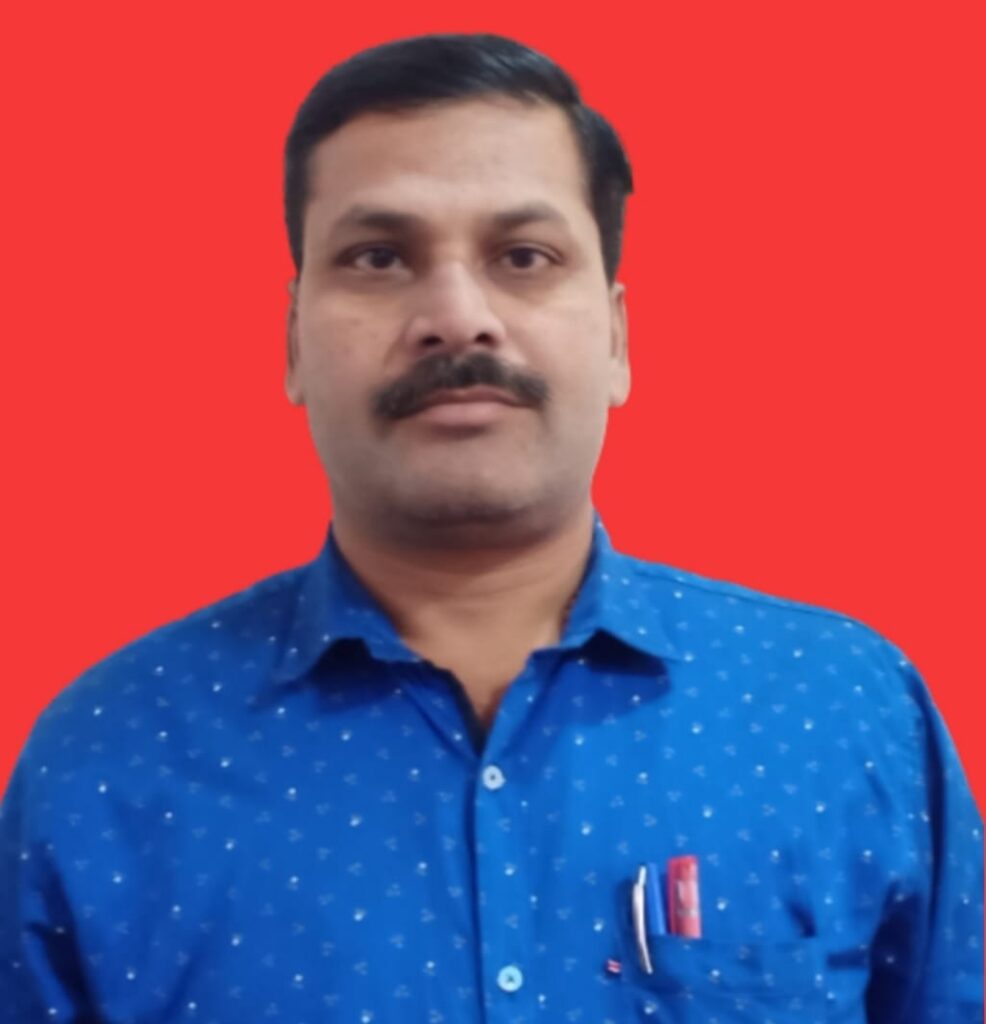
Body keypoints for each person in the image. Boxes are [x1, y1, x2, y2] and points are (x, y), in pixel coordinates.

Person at [1, 31, 981, 1024]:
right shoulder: (107, 759)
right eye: (379, 257)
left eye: (522, 256)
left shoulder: (843, 712)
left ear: (616, 337)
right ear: (293, 342)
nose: (457, 316)